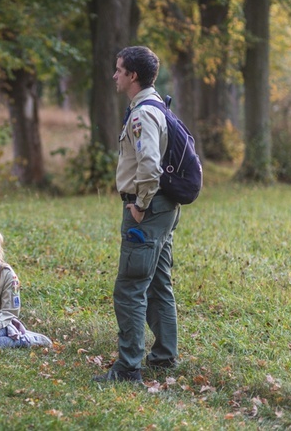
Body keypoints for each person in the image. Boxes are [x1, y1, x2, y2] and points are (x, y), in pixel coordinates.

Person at [93, 46, 182, 384]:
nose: (114, 75)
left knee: (130, 288)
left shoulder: (142, 113)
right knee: (159, 284)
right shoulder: (157, 104)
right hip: (165, 209)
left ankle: (129, 368)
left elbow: (149, 166)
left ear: (132, 75)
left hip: (148, 210)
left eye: (118, 70)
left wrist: (140, 205)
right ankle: (164, 357)